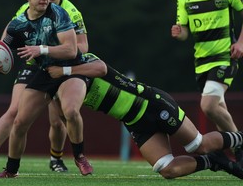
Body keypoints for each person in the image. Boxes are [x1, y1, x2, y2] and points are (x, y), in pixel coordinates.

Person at [46, 54, 243, 179]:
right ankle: (214, 162)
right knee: (167, 170)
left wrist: (65, 70)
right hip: (135, 123)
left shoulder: (81, 60)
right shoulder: (58, 87)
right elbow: (63, 117)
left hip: (152, 104)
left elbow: (101, 69)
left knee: (200, 145)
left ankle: (240, 138)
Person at [0, 0, 89, 173]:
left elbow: (75, 49)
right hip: (40, 68)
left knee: (65, 114)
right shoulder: (20, 19)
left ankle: (73, 157)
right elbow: (2, 47)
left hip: (69, 67)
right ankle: (4, 165)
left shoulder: (63, 12)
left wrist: (43, 49)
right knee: (18, 119)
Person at [171, 0, 243, 163]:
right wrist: (179, 33)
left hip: (224, 57)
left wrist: (240, 43)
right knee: (218, 109)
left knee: (208, 105)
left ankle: (239, 148)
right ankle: (232, 152)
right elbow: (184, 32)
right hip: (201, 62)